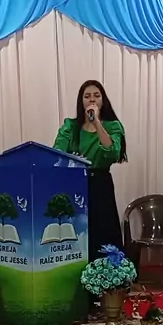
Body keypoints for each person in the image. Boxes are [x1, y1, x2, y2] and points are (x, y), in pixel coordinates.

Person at [53, 79, 127, 262]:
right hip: (74, 185)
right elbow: (58, 153)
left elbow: (112, 153)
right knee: (76, 233)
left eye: (96, 95)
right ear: (81, 101)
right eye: (87, 96)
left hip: (100, 185)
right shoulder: (70, 126)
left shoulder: (112, 126)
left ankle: (106, 274)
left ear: (103, 100)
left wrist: (97, 123)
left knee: (102, 232)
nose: (92, 99)